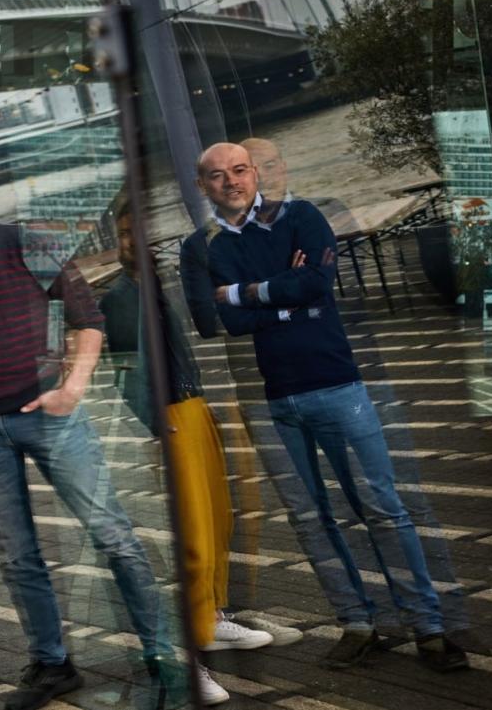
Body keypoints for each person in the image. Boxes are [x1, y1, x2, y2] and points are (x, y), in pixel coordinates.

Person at [0, 154, 210, 710]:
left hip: (52, 417)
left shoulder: (24, 242)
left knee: (113, 536)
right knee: (17, 555)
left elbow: (88, 318)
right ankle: (52, 662)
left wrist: (72, 389)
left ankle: (165, 654)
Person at [193, 141, 467, 672]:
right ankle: (358, 624)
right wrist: (282, 294)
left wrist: (244, 293)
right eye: (216, 175)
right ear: (204, 186)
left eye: (240, 169)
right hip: (277, 399)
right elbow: (225, 320)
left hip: (339, 386)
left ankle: (430, 629)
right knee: (312, 519)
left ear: (255, 175)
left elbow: (317, 284)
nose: (231, 181)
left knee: (385, 508)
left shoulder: (302, 217)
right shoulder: (207, 247)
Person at [98, 205, 274, 688]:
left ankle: (210, 619)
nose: (136, 242)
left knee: (218, 519)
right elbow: (125, 371)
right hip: (172, 418)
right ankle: (193, 640)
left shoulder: (153, 285)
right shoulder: (119, 297)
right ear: (117, 241)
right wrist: (158, 425)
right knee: (194, 532)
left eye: (141, 233)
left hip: (194, 407)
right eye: (125, 235)